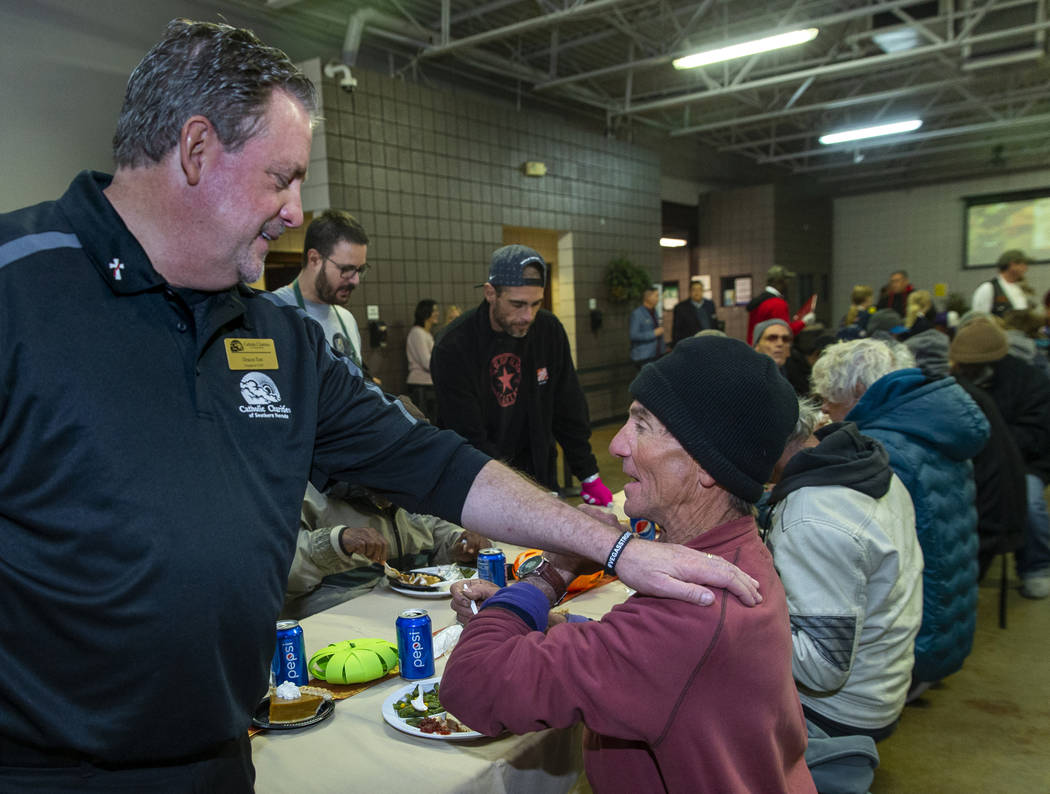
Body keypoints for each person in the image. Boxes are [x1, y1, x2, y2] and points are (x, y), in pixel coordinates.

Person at [0, 19, 762, 787]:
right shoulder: (17, 292)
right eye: (281, 178)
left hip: (223, 756)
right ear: (197, 151)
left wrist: (616, 545)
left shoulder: (280, 339)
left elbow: (432, 462)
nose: (297, 211)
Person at [442, 337, 816, 793]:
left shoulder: (692, 609)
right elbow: (658, 659)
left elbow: (471, 686)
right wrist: (547, 619)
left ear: (707, 465)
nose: (617, 443)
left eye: (642, 425)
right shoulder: (737, 553)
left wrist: (550, 576)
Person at [811, 339, 989, 695]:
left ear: (860, 392)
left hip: (914, 644)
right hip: (949, 619)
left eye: (832, 399)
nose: (825, 409)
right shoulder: (931, 424)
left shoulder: (883, 450)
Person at [766, 399, 923, 742]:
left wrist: (734, 618)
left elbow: (823, 667)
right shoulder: (863, 466)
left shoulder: (810, 515)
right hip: (884, 684)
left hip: (837, 712)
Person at [431, 244, 613, 505]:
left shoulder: (548, 331)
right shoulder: (455, 344)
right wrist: (526, 495)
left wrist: (588, 474)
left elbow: (568, 407)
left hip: (540, 477)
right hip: (478, 484)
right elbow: (468, 436)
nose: (527, 316)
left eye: (535, 304)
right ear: (490, 293)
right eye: (517, 304)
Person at [949, 318, 1050, 599]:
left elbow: (1038, 435)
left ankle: (1036, 564)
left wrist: (994, 443)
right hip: (969, 460)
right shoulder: (957, 381)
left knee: (1027, 502)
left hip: (1024, 461)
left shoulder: (1031, 383)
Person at [281, 482, 488, 619]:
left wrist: (459, 546)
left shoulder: (409, 482)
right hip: (335, 626)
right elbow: (276, 571)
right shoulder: (303, 489)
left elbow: (433, 531)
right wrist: (335, 542)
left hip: (414, 614)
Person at [268, 208, 376, 380]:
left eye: (360, 270)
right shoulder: (272, 313)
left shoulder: (346, 319)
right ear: (314, 259)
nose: (355, 281)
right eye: (347, 269)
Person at [746, 265, 810, 344]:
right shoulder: (777, 304)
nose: (788, 284)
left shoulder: (759, 301)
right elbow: (785, 332)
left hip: (755, 349)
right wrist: (804, 322)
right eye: (786, 280)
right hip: (769, 352)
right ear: (780, 281)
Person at [971, 250, 1034, 317]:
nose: (1026, 268)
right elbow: (979, 318)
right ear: (1012, 265)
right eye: (1023, 264)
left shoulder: (1019, 289)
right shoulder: (988, 288)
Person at [406, 298, 439, 417]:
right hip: (420, 386)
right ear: (426, 312)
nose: (437, 313)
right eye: (434, 310)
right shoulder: (417, 333)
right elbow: (427, 362)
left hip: (427, 385)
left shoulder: (425, 333)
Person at [670, 279, 717, 345]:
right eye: (694, 290)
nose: (697, 292)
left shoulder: (710, 304)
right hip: (691, 345)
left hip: (710, 343)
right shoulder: (681, 308)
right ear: (690, 292)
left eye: (699, 289)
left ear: (702, 291)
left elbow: (715, 325)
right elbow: (676, 331)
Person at [629, 285, 664, 366]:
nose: (658, 299)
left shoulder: (654, 312)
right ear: (648, 297)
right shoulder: (637, 314)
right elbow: (633, 335)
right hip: (644, 356)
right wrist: (653, 333)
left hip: (657, 354)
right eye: (656, 296)